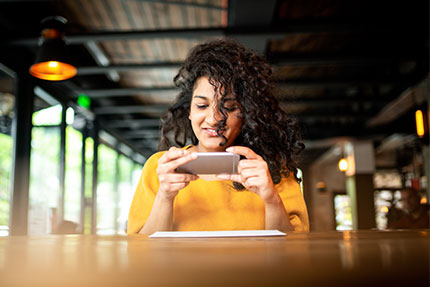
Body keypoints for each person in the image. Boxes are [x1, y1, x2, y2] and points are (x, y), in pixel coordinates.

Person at [127, 39, 309, 235]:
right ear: (189, 111)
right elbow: (141, 251)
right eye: (202, 106)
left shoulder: (274, 171)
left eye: (229, 107)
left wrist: (271, 198)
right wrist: (165, 196)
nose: (214, 119)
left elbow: (294, 252)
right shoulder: (160, 168)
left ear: (247, 113)